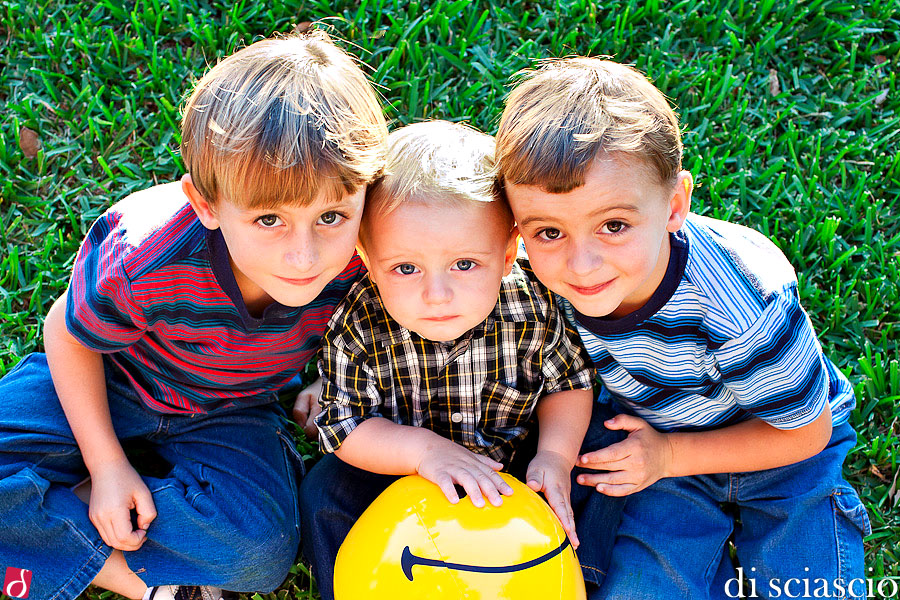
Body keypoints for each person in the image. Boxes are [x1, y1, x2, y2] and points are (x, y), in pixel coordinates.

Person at [0, 30, 387, 600]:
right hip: (111, 378)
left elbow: (369, 329)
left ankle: (59, 511)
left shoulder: (366, 255)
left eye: (331, 216)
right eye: (269, 220)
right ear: (205, 204)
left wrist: (330, 381)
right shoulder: (145, 259)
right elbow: (68, 332)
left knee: (261, 552)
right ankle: (148, 582)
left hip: (231, 405)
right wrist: (107, 465)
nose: (305, 256)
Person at [495, 57, 871, 599]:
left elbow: (805, 433)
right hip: (661, 446)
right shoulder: (537, 278)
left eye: (615, 225)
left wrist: (671, 454)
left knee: (811, 584)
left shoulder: (743, 303)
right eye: (549, 232)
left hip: (783, 447)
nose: (581, 264)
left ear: (674, 206)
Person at [298, 120, 622, 600]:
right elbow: (345, 426)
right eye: (405, 268)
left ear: (509, 250)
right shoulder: (360, 321)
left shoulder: (531, 304)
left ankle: (576, 574)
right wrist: (424, 452)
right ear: (366, 257)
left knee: (596, 455)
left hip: (514, 460)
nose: (436, 293)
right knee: (325, 493)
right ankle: (352, 585)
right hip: (400, 468)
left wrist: (554, 456)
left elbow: (567, 384)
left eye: (465, 264)